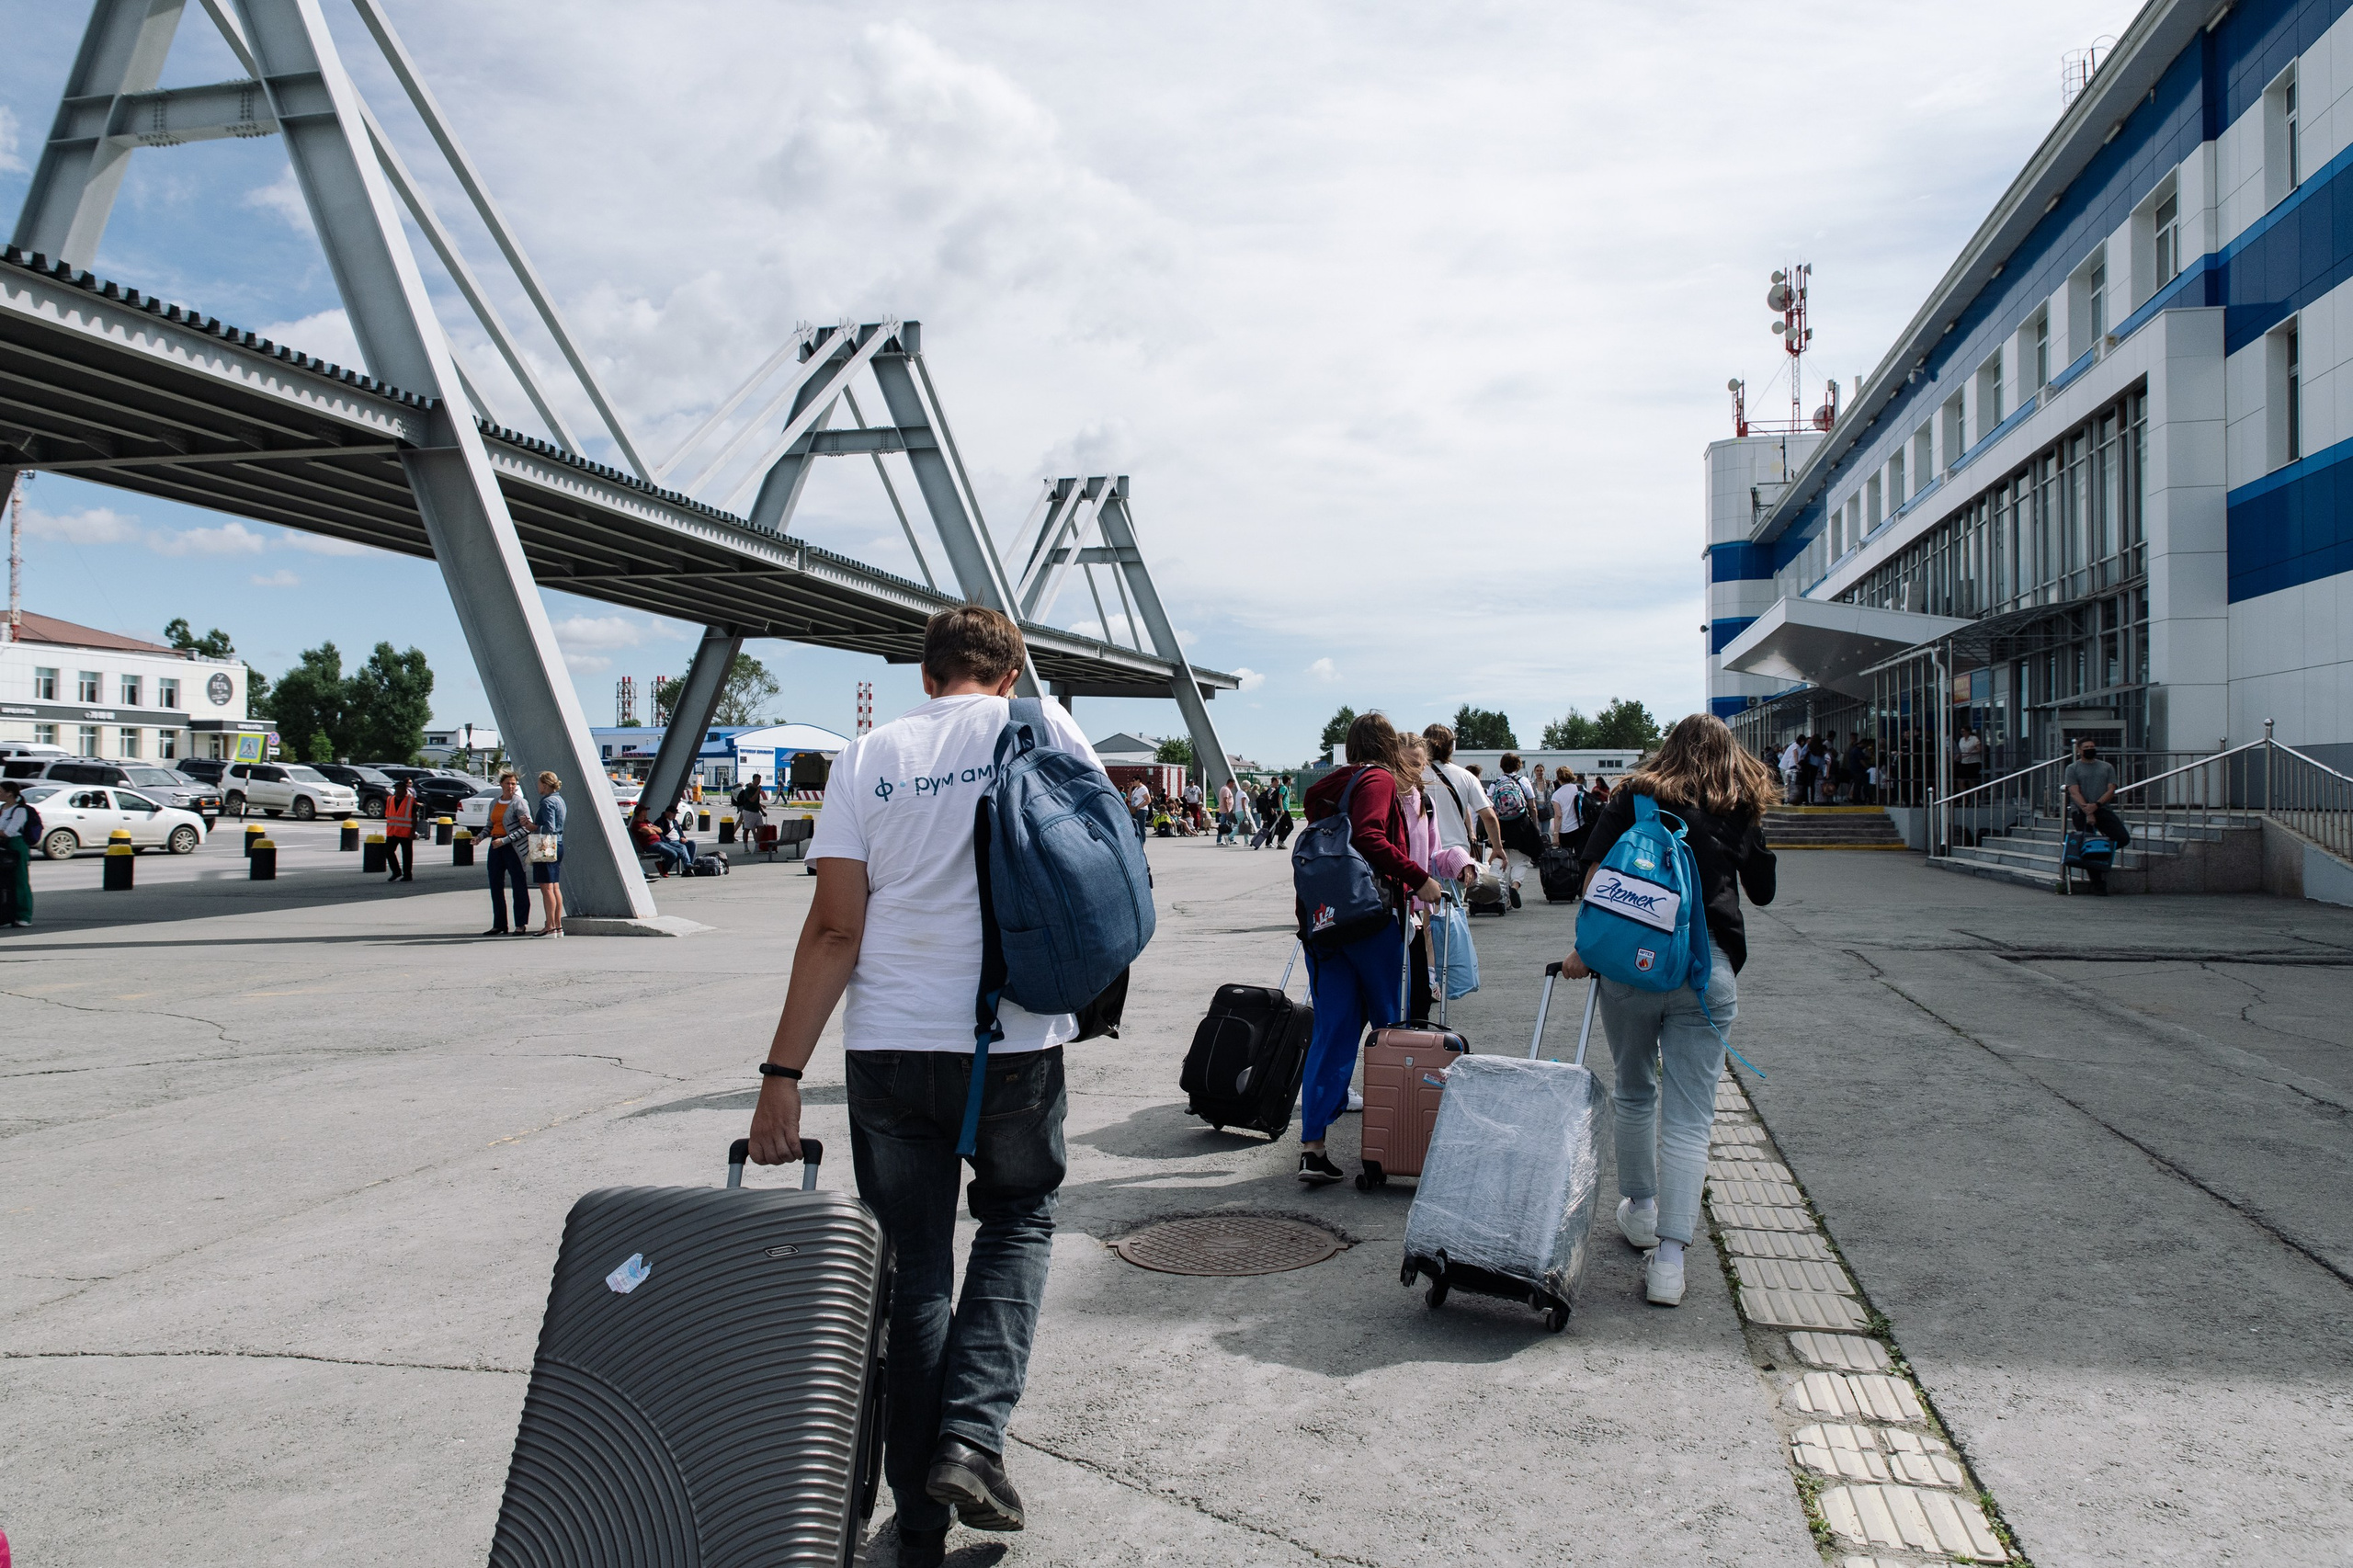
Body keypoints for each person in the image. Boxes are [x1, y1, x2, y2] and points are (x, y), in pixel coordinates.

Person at [744, 606, 1101, 1568]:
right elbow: (1102, 870)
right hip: (1015, 1037)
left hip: (890, 1046)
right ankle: (972, 1439)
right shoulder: (1045, 724)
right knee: (1019, 1217)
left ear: (926, 670)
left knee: (910, 1269)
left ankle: (918, 1525)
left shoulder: (868, 755)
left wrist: (781, 1074)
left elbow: (833, 928)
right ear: (1012, 667)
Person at [1565, 713, 1777, 1308]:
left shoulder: (1634, 793)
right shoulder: (1739, 800)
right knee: (1691, 1116)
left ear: (1668, 748)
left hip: (1632, 967)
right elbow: (1763, 891)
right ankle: (1671, 1263)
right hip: (1707, 971)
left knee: (1635, 1091)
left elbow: (1593, 880)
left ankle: (1640, 1208)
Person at [1295, 713, 1449, 1186]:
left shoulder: (1327, 787)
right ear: (1385, 745)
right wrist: (1418, 878)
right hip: (1370, 918)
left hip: (1324, 923)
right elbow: (1368, 836)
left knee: (1332, 1030)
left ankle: (1313, 1147)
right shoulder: (1378, 778)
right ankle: (1388, 1147)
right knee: (1390, 1029)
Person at [1419, 725, 1504, 891]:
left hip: (1423, 854)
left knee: (1423, 912)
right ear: (1452, 747)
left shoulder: (1415, 775)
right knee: (1453, 910)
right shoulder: (1466, 776)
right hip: (1456, 857)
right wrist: (1497, 847)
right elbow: (1489, 816)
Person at [2063, 737, 2131, 895]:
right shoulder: (2072, 768)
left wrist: (2097, 806)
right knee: (2087, 844)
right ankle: (2097, 883)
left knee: (2122, 837)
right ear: (2079, 750)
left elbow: (2111, 789)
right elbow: (2074, 791)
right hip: (2081, 810)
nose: (2090, 749)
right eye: (2086, 747)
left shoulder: (2106, 767)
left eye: (2092, 746)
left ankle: (2102, 853)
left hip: (2102, 808)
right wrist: (2088, 810)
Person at [1488, 751, 1547, 909]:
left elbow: (1488, 807)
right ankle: (1515, 886)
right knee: (1522, 859)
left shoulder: (1495, 783)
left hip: (1501, 826)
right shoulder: (1523, 781)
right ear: (1518, 766)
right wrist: (1534, 825)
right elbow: (1532, 806)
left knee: (1503, 859)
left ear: (1502, 766)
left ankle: (1503, 896)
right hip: (1521, 824)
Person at [480, 772, 530, 935]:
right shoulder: (495, 802)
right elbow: (490, 825)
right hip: (495, 845)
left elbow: (525, 828)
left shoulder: (519, 803)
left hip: (512, 847)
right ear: (501, 784)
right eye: (508, 783)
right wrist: (479, 838)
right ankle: (500, 923)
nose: (511, 787)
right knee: (495, 884)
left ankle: (521, 924)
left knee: (518, 884)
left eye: (513, 784)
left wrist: (506, 840)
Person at [531, 770, 567, 937]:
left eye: (539, 783)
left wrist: (532, 827)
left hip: (545, 843)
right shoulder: (559, 800)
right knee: (554, 886)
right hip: (558, 843)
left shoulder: (547, 802)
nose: (537, 786)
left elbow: (549, 827)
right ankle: (557, 926)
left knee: (546, 888)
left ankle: (550, 926)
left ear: (545, 785)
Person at [0, 780, 39, 926]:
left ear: (9, 793)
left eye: (0, 791)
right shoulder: (2, 808)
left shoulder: (20, 810)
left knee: (20, 880)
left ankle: (23, 915)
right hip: (3, 846)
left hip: (16, 846)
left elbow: (10, 831)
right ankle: (5, 914)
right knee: (4, 883)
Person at [383, 777, 416, 883]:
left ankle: (407, 874)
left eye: (400, 789)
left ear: (405, 790)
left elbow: (414, 817)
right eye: (396, 789)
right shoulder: (390, 800)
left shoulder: (410, 801)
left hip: (405, 832)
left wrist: (412, 832)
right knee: (388, 852)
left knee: (407, 854)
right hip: (392, 831)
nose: (398, 791)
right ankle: (396, 871)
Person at [734, 774, 769, 848]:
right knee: (747, 829)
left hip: (756, 811)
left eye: (759, 780)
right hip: (748, 811)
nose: (758, 782)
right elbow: (752, 799)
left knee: (761, 827)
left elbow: (757, 802)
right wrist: (758, 790)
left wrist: (762, 812)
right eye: (757, 780)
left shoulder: (756, 789)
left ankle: (757, 845)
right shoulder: (749, 789)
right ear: (753, 780)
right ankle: (746, 847)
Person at [1846, 736, 1872, 807]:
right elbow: (1861, 761)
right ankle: (1857, 799)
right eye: (1866, 745)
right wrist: (1868, 767)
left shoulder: (1854, 750)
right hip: (1857, 770)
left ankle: (1856, 799)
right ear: (1863, 743)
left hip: (1854, 769)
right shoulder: (1857, 751)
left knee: (1857, 785)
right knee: (1858, 785)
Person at [1957, 726, 1984, 792]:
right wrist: (1957, 757)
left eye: (1963, 731)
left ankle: (1974, 799)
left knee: (1971, 781)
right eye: (1961, 731)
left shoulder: (1974, 739)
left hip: (1973, 762)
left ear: (1968, 731)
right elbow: (1961, 751)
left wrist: (1969, 754)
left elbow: (1979, 749)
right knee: (1960, 781)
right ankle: (1965, 800)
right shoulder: (1961, 739)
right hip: (1964, 762)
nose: (1962, 733)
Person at [1272, 777, 1296, 849]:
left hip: (1283, 809)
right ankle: (1281, 840)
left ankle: (1280, 843)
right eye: (1290, 780)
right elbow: (1280, 798)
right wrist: (1282, 808)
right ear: (1288, 781)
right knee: (1291, 826)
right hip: (1283, 810)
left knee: (1282, 826)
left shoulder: (1285, 788)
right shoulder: (1284, 788)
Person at [1127, 777, 1152, 842]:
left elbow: (1148, 800)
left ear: (1138, 780)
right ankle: (1137, 841)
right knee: (1134, 826)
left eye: (1134, 780)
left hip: (1141, 810)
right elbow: (1129, 798)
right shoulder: (1136, 789)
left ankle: (1142, 842)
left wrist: (1139, 806)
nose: (1133, 782)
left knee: (1141, 827)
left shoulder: (1143, 789)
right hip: (1134, 810)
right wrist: (1130, 788)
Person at [1215, 778, 1235, 845]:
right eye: (1233, 784)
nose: (1233, 786)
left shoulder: (1224, 788)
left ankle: (1231, 839)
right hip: (1225, 811)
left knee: (1227, 825)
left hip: (1225, 810)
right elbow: (1225, 800)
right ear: (1230, 783)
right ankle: (1220, 840)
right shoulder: (1226, 789)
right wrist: (1227, 810)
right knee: (1224, 826)